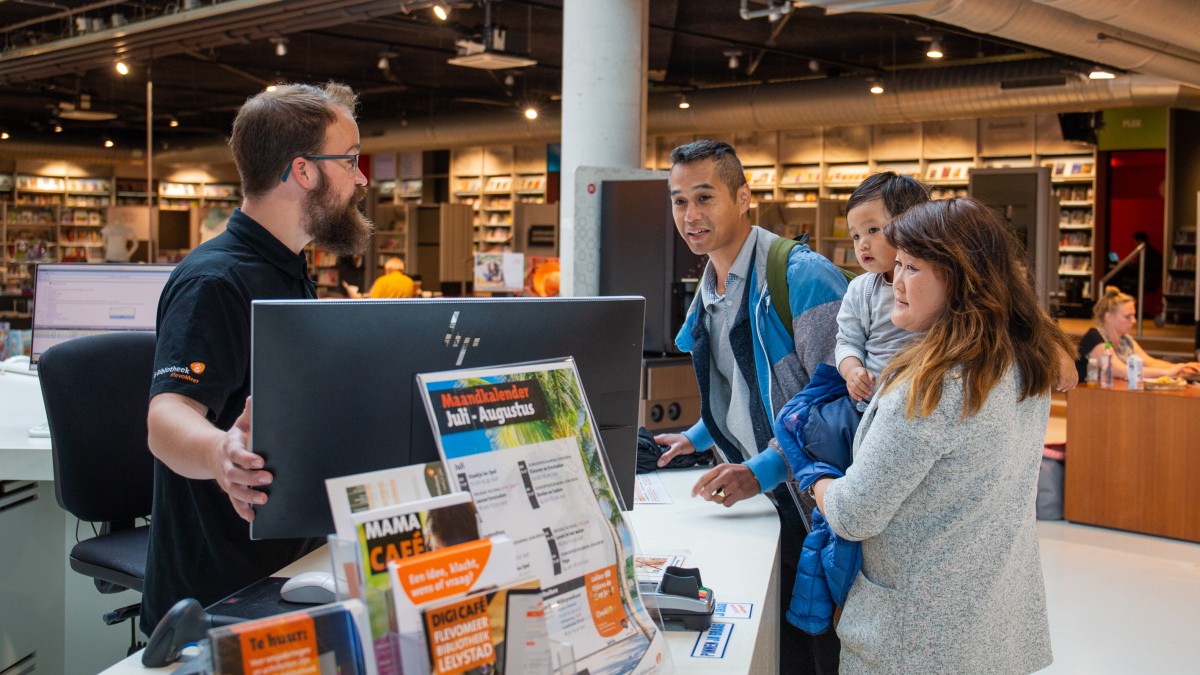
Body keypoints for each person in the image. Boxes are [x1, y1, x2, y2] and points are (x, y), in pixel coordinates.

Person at [141, 81, 374, 635]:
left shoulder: (286, 270)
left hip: (289, 565)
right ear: (304, 171)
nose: (362, 178)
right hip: (221, 597)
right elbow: (165, 417)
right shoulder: (216, 281)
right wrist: (222, 451)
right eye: (349, 161)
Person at [808, 197, 1071, 673]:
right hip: (995, 617)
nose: (896, 281)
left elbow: (853, 514)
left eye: (911, 267)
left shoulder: (928, 388)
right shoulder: (1025, 363)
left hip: (916, 637)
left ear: (960, 278)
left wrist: (815, 478)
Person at [652, 139, 848, 673]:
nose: (690, 216)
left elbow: (841, 406)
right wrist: (696, 436)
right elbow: (742, 384)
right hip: (766, 505)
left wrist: (761, 470)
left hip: (813, 506)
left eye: (704, 198)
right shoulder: (711, 284)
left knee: (816, 652)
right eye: (678, 201)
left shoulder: (801, 278)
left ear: (744, 197)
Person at [1075, 285, 1200, 381]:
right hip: (1089, 399)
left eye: (1134, 316)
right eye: (1127, 317)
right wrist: (1167, 372)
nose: (1134, 321)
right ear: (1109, 317)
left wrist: (1182, 367)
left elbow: (1150, 362)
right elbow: (1120, 371)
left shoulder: (1126, 339)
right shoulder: (1095, 338)